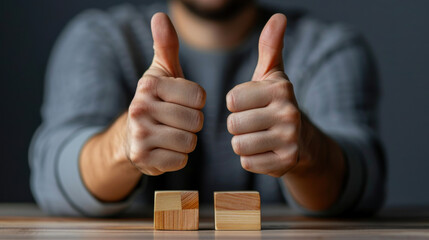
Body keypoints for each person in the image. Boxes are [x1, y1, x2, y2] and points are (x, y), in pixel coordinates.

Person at [29, 0, 385, 217]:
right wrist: (121, 146)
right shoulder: (99, 38)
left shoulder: (328, 48)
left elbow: (364, 177)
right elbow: (50, 174)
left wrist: (309, 150)